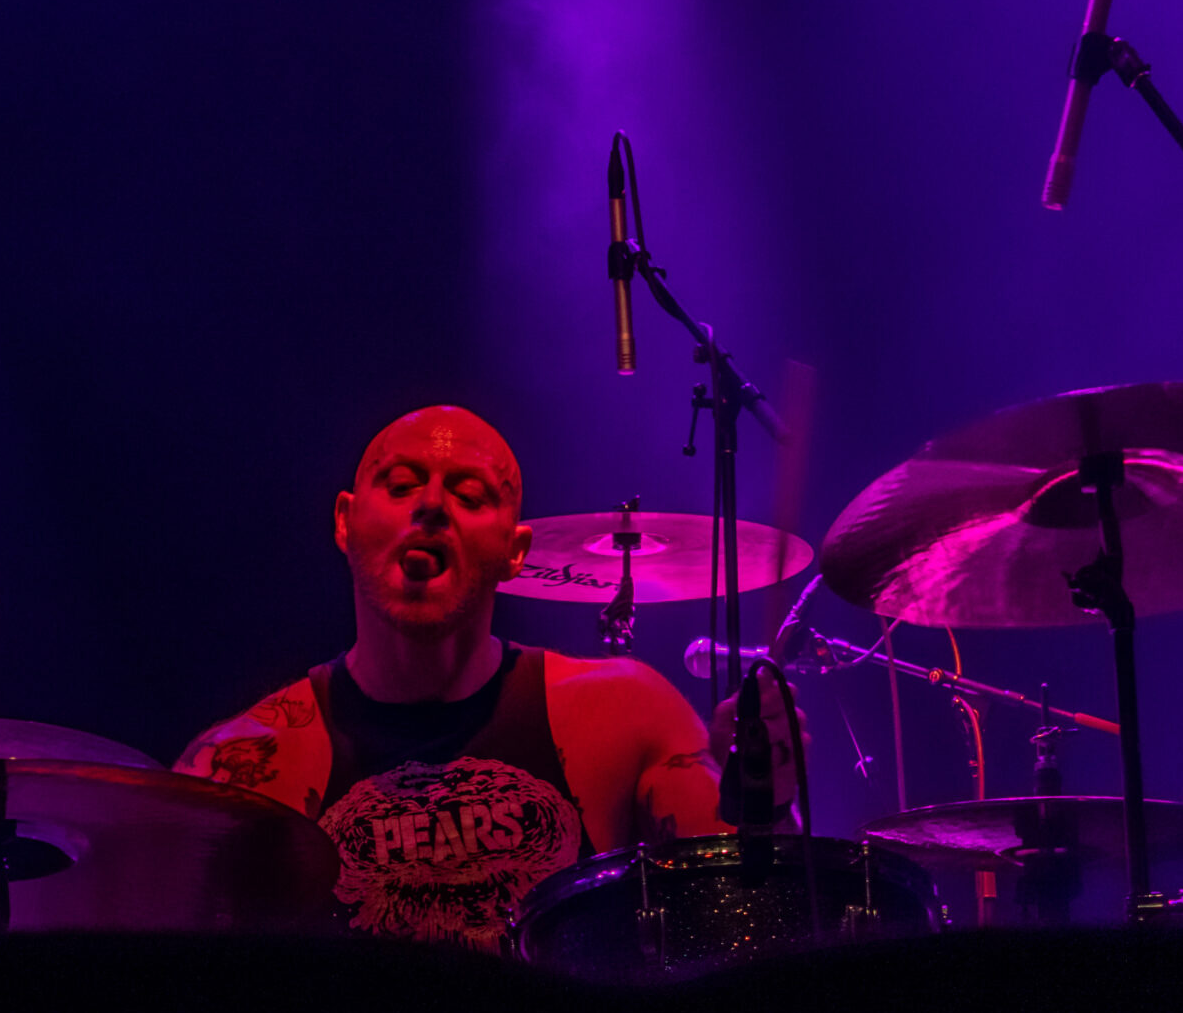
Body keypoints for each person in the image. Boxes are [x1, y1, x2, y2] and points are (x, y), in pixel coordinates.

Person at [176, 404, 797, 950]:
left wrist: (764, 804)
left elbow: (751, 926)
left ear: (515, 552)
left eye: (470, 496)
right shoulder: (247, 764)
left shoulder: (627, 713)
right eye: (400, 485)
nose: (430, 506)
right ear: (345, 520)